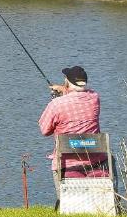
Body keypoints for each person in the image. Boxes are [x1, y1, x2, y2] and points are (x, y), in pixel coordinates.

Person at [38, 65, 100, 201]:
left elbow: (44, 130)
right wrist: (65, 91)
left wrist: (58, 98)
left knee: (56, 158)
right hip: (95, 162)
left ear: (67, 82)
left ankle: (65, 203)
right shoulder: (95, 99)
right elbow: (82, 95)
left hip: (68, 164)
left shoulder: (57, 104)